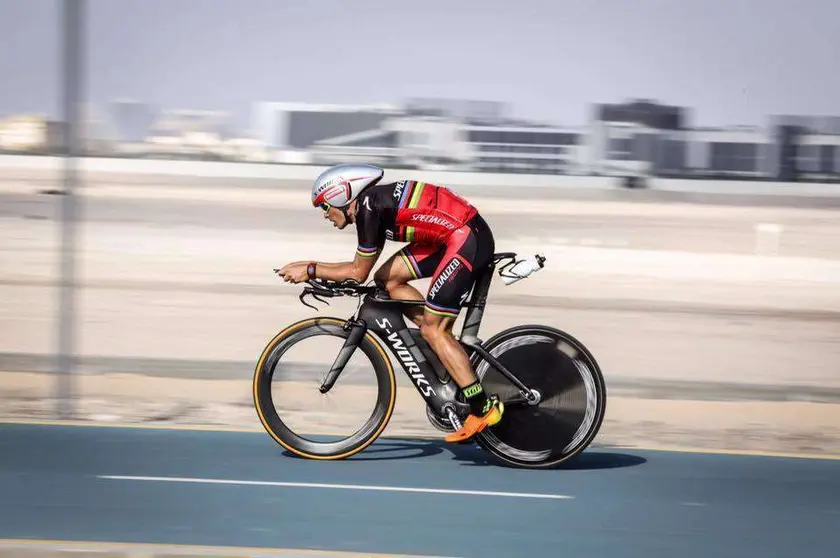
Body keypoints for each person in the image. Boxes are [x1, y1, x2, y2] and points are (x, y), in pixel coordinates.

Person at [275, 163, 503, 443]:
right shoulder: (372, 204)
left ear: (341, 196)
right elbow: (369, 273)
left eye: (324, 207)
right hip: (451, 237)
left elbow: (358, 272)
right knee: (388, 280)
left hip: (466, 238)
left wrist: (310, 269)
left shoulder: (369, 208)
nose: (325, 215)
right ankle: (442, 343)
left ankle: (482, 407)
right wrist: (309, 267)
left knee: (435, 330)